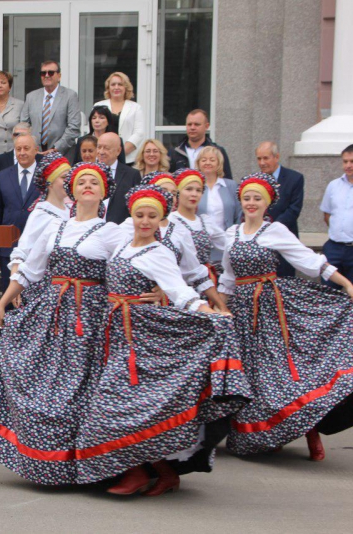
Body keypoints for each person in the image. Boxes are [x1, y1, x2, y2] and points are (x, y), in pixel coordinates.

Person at [76, 184, 249, 496]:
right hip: (114, 334)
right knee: (122, 406)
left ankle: (137, 474)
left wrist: (208, 310)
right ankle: (163, 472)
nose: (145, 220)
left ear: (160, 220)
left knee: (117, 407)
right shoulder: (120, 244)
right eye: (140, 214)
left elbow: (180, 290)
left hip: (141, 338)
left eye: (151, 216)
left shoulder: (159, 253)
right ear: (132, 215)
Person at [0, 161, 126, 483]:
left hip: (90, 322)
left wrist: (152, 292)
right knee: (47, 386)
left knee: (80, 390)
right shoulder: (54, 228)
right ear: (71, 190)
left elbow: (132, 268)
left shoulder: (112, 232)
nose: (88, 185)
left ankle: (87, 464)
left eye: (94, 182)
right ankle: (49, 462)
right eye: (81, 181)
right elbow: (30, 271)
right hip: (52, 318)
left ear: (103, 193)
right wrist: (2, 304)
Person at [219, 173, 353, 462]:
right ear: (240, 201)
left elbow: (310, 261)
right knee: (251, 377)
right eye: (247, 198)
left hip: (270, 311)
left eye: (258, 198)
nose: (252, 203)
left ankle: (311, 431)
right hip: (241, 313)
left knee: (280, 374)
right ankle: (267, 434)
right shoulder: (232, 233)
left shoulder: (275, 230)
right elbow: (228, 279)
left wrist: (346, 284)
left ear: (267, 203)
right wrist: (220, 310)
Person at [119, 171, 229, 312]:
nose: (169, 197)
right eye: (163, 191)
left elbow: (195, 273)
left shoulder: (180, 231)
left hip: (174, 304)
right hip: (139, 304)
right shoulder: (130, 227)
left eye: (173, 193)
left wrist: (221, 307)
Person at [5, 152, 71, 304]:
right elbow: (22, 251)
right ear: (50, 182)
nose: (68, 183)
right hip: (44, 288)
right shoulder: (41, 213)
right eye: (64, 178)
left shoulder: (70, 211)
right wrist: (14, 287)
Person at [0, 134, 42, 292]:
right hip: (9, 245)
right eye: (18, 149)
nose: (22, 152)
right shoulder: (3, 176)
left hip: (37, 246)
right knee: (9, 293)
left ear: (36, 150)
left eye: (26, 148)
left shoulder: (45, 176)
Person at [170, 168, 227, 287]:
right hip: (181, 283)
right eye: (189, 189)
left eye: (198, 190)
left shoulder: (205, 221)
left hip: (206, 282)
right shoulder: (171, 221)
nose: (194, 194)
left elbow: (228, 244)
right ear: (178, 192)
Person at [256, 141, 304, 277]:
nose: (262, 162)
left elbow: (294, 209)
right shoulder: (254, 180)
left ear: (276, 157)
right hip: (260, 243)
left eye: (266, 158)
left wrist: (273, 228)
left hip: (284, 239)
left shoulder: (295, 178)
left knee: (285, 283)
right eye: (259, 158)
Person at [20, 60, 81, 157]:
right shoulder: (31, 97)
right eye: (43, 73)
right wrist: (31, 147)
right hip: (36, 153)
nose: (47, 75)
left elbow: (74, 127)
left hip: (62, 153)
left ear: (59, 76)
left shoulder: (70, 96)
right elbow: (24, 125)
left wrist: (55, 148)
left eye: (51, 73)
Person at [196, 146, 242, 262]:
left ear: (219, 163)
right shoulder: (195, 187)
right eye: (204, 160)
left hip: (226, 245)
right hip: (201, 247)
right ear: (198, 163)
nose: (208, 163)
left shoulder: (230, 185)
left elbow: (238, 214)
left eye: (212, 160)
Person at [320, 144, 353, 288]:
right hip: (334, 248)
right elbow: (327, 215)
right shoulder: (333, 186)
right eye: (345, 161)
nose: (348, 165)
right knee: (329, 294)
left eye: (352, 161)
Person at [93, 72, 145, 159]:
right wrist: (105, 152)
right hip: (102, 158)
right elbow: (93, 132)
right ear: (108, 88)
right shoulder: (98, 106)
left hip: (128, 158)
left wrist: (121, 153)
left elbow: (139, 133)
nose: (116, 87)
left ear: (126, 87)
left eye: (120, 84)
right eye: (113, 84)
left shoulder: (135, 107)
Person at [168, 109, 232, 179]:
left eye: (197, 124)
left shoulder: (218, 151)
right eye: (189, 124)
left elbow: (227, 180)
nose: (192, 127)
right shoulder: (174, 152)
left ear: (207, 126)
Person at [98, 132, 141, 224]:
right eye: (99, 147)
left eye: (106, 148)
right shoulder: (89, 172)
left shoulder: (132, 175)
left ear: (118, 151)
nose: (101, 152)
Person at [0, 123, 41, 188]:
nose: (19, 137)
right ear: (12, 136)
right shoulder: (0, 160)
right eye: (16, 134)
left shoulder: (42, 161)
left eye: (24, 135)